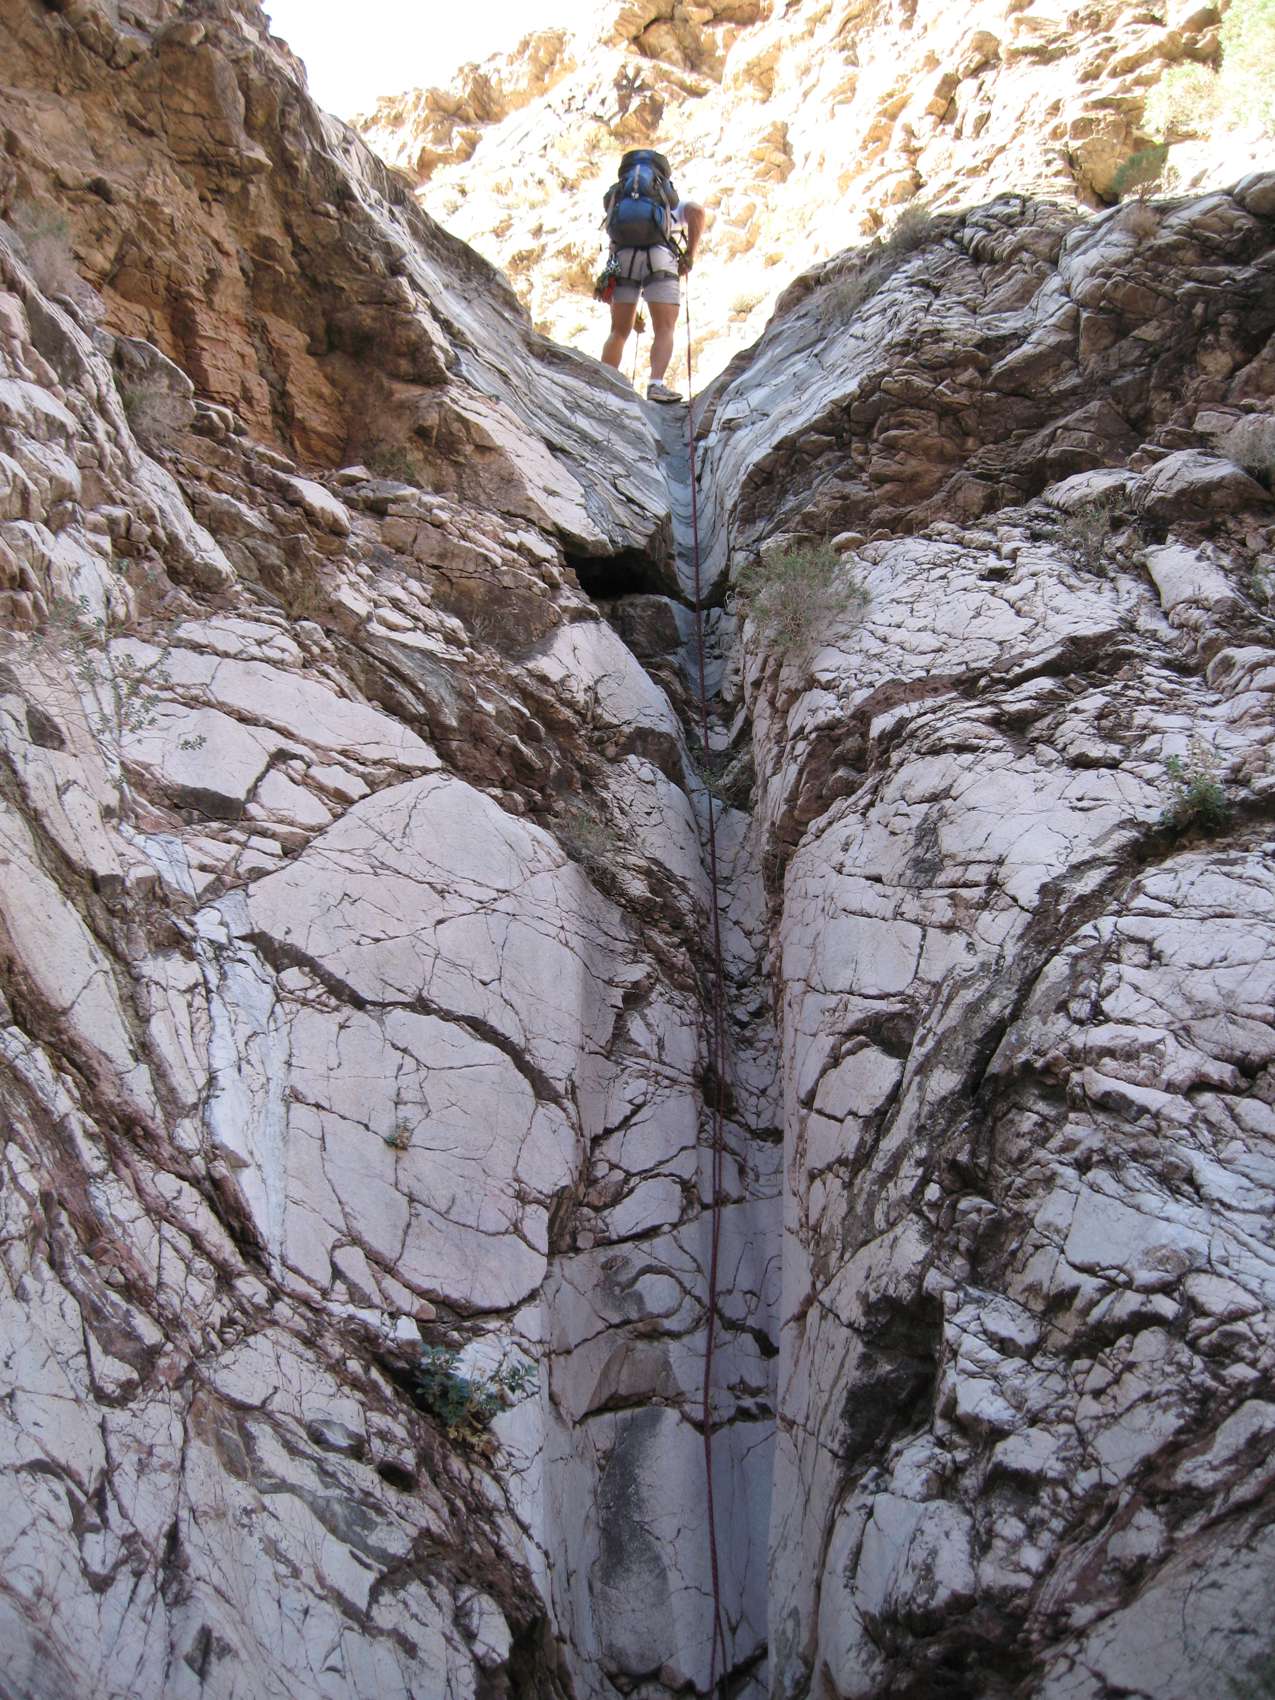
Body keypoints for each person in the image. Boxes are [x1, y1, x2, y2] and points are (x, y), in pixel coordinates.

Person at [597, 149, 705, 404]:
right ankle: (656, 385)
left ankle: (604, 386)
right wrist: (689, 255)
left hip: (622, 259)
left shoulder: (619, 201)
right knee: (664, 327)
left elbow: (612, 238)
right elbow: (697, 212)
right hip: (660, 258)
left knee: (618, 331)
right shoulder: (666, 200)